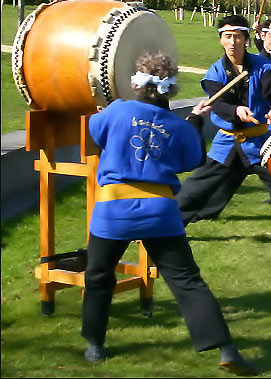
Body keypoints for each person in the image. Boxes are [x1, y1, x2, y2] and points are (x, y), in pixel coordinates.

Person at [82, 51, 258, 376]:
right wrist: (194, 120)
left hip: (114, 209)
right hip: (160, 212)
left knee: (98, 277)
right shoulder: (178, 127)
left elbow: (95, 132)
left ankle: (95, 345)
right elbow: (190, 159)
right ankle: (226, 347)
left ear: (136, 82)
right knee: (188, 282)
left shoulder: (117, 111)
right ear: (170, 89)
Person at [174, 15, 271, 253]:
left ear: (246, 39)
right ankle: (162, 229)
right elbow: (220, 104)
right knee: (196, 189)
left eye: (237, 36)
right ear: (221, 40)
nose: (232, 42)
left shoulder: (263, 66)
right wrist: (236, 110)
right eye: (227, 37)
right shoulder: (215, 72)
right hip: (228, 143)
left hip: (259, 143)